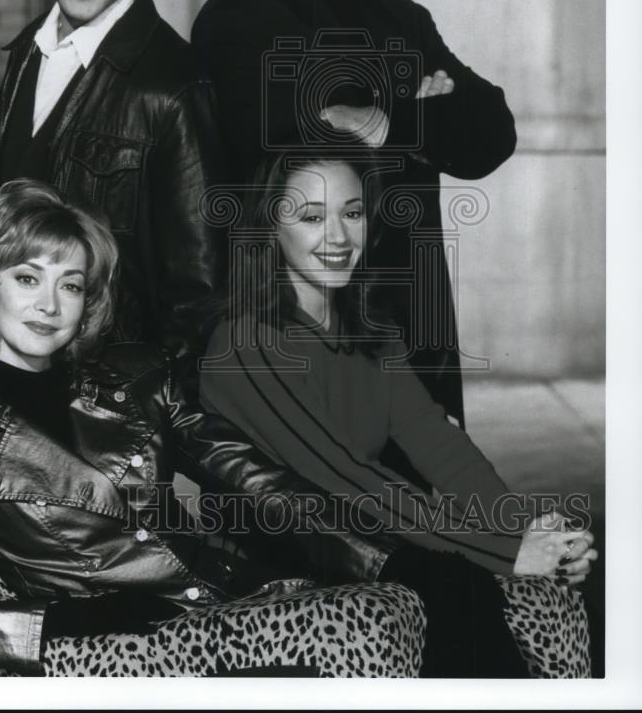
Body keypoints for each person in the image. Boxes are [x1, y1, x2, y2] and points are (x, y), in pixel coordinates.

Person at [0, 180, 444, 678]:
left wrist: (379, 557)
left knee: (399, 599)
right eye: (28, 278)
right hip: (116, 647)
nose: (49, 304)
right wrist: (52, 623)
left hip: (220, 604)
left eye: (71, 285)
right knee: (366, 617)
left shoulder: (141, 377)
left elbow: (256, 481)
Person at [199, 139, 598, 677]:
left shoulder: (369, 326)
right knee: (457, 586)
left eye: (352, 213)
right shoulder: (245, 342)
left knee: (573, 578)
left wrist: (527, 528)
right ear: (269, 227)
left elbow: (437, 442)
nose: (338, 237)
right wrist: (509, 551)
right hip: (281, 563)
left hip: (366, 538)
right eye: (312, 217)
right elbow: (348, 480)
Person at [192, 0, 517, 437]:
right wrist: (419, 110)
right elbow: (306, 138)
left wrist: (386, 121)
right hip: (298, 369)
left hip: (415, 347)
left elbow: (491, 134)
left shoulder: (399, 16)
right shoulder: (231, 23)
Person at [0, 0, 221, 360]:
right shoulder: (25, 53)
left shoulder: (175, 85)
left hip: (114, 397)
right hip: (15, 376)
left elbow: (199, 301)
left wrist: (144, 408)